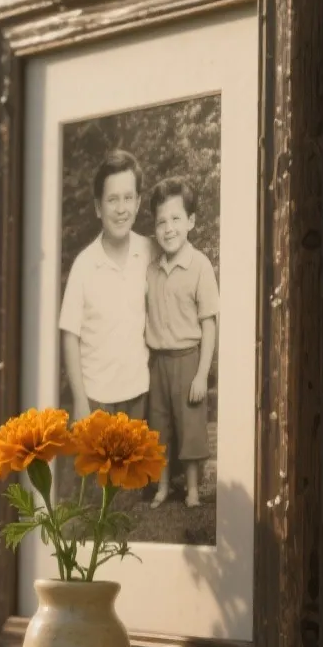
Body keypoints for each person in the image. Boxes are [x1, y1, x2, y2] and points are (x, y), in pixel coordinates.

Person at [59, 150, 152, 421]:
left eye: (128, 198)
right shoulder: (84, 265)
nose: (121, 209)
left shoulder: (150, 252)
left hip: (139, 395)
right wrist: (80, 400)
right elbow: (70, 336)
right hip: (95, 398)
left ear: (138, 203)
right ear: (98, 207)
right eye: (112, 200)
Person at [143, 178, 218, 508]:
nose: (168, 228)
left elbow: (209, 324)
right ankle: (162, 487)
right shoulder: (151, 270)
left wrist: (202, 374)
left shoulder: (199, 265)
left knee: (190, 426)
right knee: (159, 426)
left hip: (188, 359)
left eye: (176, 219)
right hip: (158, 362)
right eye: (161, 222)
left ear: (191, 221)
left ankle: (191, 490)